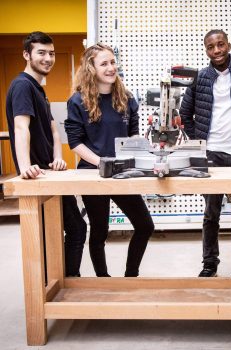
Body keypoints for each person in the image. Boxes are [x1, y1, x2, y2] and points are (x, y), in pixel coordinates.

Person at [64, 43, 154, 277]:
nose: (111, 67)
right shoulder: (78, 101)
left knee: (145, 226)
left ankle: (130, 276)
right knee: (99, 232)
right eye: (104, 63)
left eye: (113, 62)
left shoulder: (125, 97)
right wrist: (101, 162)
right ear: (91, 68)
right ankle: (103, 279)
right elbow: (76, 143)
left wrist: (138, 147)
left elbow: (133, 132)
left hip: (123, 173)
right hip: (93, 174)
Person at [6, 31, 87, 277]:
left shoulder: (38, 89)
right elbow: (21, 127)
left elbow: (52, 128)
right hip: (36, 176)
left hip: (48, 172)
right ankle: (54, 284)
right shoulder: (22, 86)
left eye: (51, 53)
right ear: (26, 54)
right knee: (49, 234)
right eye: (41, 53)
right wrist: (24, 167)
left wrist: (57, 157)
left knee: (74, 228)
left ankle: (64, 280)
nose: (48, 58)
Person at [180, 29, 231, 277]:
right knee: (211, 213)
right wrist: (199, 142)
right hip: (211, 155)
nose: (216, 51)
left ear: (228, 45)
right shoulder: (199, 77)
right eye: (210, 47)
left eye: (220, 45)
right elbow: (185, 114)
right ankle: (209, 263)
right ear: (206, 50)